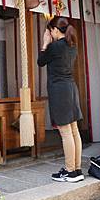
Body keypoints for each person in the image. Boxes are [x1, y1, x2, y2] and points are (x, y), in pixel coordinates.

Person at [37, 16, 84, 182]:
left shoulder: (55, 47)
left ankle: (70, 171)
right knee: (74, 130)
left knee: (66, 133)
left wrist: (44, 44)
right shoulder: (72, 46)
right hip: (71, 89)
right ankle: (77, 169)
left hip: (59, 91)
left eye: (50, 31)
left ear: (55, 30)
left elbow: (40, 61)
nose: (49, 34)